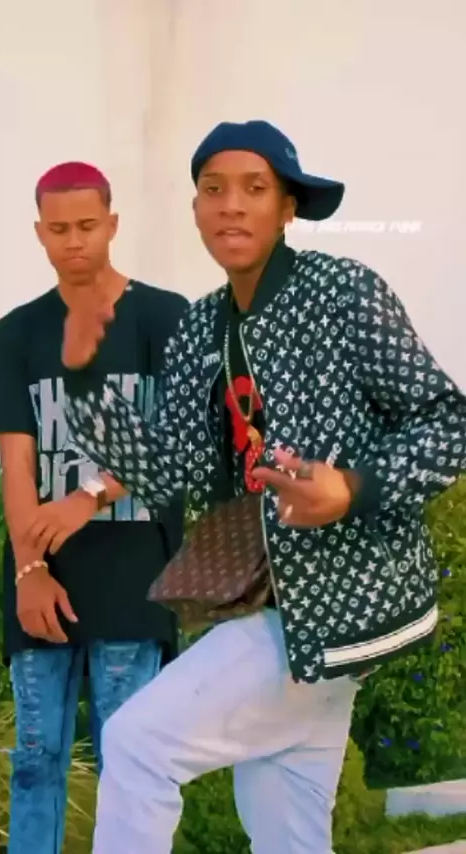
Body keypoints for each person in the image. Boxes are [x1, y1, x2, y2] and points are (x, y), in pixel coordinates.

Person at [61, 123, 466, 854]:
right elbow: (173, 473)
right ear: (195, 209)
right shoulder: (200, 330)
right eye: (213, 189)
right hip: (267, 608)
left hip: (340, 600)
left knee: (137, 744)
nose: (231, 205)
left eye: (255, 188)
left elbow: (448, 421)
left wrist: (352, 487)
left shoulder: (342, 292)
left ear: (287, 208)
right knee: (287, 834)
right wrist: (87, 384)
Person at [0, 161, 187, 854]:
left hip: (136, 576)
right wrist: (28, 572)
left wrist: (89, 495)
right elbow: (17, 463)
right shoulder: (16, 334)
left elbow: (178, 439)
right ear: (39, 233)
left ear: (112, 225)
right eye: (59, 228)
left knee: (126, 759)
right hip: (45, 580)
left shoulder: (164, 317)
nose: (74, 241)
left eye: (87, 225)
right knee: (35, 761)